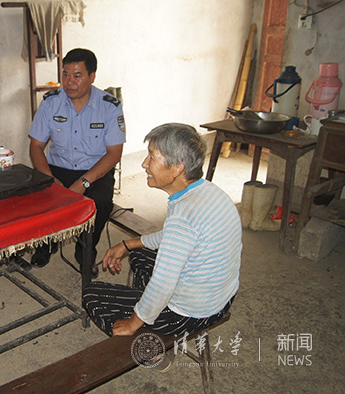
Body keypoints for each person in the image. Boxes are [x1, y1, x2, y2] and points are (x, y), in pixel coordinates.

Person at [82, 123, 240, 344]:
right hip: (218, 299)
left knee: (91, 294)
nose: (144, 164)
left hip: (188, 314)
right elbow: (173, 239)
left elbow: (163, 284)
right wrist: (128, 245)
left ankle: (146, 344)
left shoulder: (183, 219)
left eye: (152, 157)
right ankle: (145, 309)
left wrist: (133, 323)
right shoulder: (208, 193)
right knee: (139, 254)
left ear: (177, 169)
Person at [28, 48, 125, 272]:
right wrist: (50, 179)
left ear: (92, 76)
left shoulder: (109, 106)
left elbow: (114, 153)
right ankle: (47, 243)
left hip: (95, 171)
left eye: (77, 75)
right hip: (57, 168)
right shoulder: (50, 103)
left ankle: (85, 250)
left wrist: (84, 182)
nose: (69, 82)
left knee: (101, 201)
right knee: (38, 197)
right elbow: (36, 146)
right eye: (65, 74)